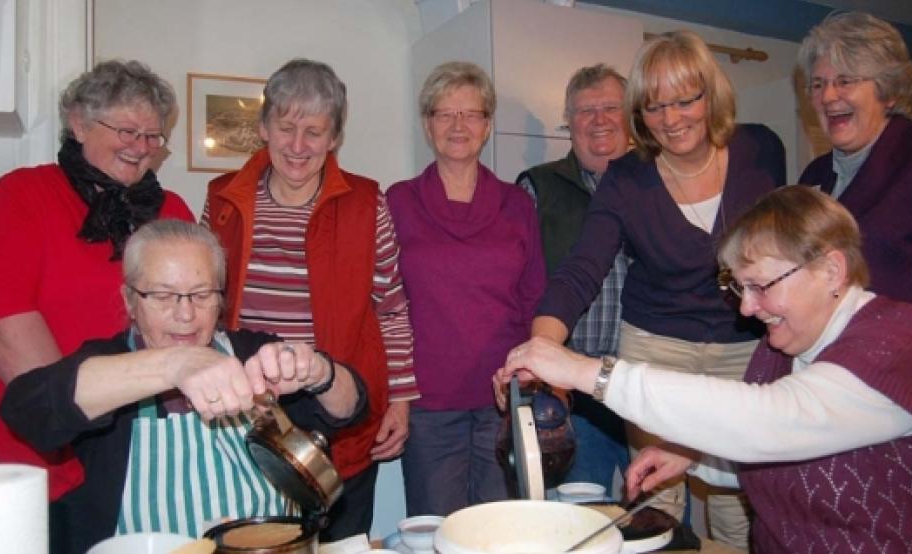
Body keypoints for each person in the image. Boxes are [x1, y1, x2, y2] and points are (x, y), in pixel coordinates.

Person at [496, 185, 912, 553]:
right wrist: (697, 457)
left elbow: (776, 422)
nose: (748, 308)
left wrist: (587, 372)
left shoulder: (901, 342)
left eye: (760, 286)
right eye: (738, 287)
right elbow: (797, 448)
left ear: (831, 270)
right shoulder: (783, 348)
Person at [530, 31, 786, 549]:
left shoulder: (761, 150)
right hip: (656, 349)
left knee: (739, 500)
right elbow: (582, 268)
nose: (671, 120)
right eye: (654, 106)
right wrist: (542, 348)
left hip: (743, 352)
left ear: (711, 94)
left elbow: (787, 252)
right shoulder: (627, 178)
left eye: (685, 99)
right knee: (657, 498)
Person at [0, 220, 366, 553]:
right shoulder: (108, 364)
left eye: (202, 294)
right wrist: (171, 365)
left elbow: (352, 406)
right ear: (130, 300)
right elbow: (26, 408)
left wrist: (321, 373)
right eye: (162, 296)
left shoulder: (251, 353)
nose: (186, 314)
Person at [0, 60, 193, 551]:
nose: (141, 147)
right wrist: (81, 421)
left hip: (143, 449)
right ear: (79, 123)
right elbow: (1, 323)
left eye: (154, 137)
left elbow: (193, 315)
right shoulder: (23, 194)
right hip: (41, 448)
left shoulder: (172, 210)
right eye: (128, 130)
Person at [201, 58, 415, 541]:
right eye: (287, 127)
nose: (299, 146)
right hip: (246, 406)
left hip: (337, 405)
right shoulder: (222, 200)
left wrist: (399, 399)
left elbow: (392, 309)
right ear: (264, 127)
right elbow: (203, 303)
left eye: (315, 132)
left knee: (339, 541)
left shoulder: (367, 202)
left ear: (334, 137)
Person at [387, 61, 545, 516]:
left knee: (500, 530)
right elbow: (382, 306)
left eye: (471, 114)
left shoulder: (518, 204)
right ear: (427, 125)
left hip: (505, 397)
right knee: (438, 530)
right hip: (427, 402)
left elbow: (535, 296)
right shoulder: (396, 202)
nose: (458, 126)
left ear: (488, 125)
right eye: (444, 114)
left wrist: (535, 378)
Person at [515, 64, 630, 494]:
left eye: (610, 108)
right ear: (569, 124)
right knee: (577, 520)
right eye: (585, 111)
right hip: (572, 395)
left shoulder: (659, 183)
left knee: (662, 520)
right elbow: (522, 290)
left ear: (631, 115)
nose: (599, 120)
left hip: (646, 385)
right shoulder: (538, 188)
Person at [797, 11, 912, 323]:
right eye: (818, 84)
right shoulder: (814, 176)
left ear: (889, 92)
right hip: (828, 358)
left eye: (845, 81)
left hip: (907, 360)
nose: (828, 96)